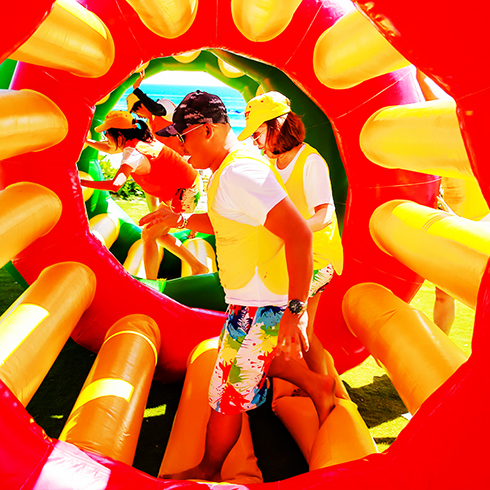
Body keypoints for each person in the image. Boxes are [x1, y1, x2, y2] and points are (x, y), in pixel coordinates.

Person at [140, 90, 336, 482]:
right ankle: (318, 385)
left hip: (260, 303)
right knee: (256, 366)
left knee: (225, 398)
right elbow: (225, 220)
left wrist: (294, 311)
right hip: (252, 300)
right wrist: (178, 219)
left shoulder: (241, 172)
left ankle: (210, 468)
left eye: (182, 137)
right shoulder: (227, 170)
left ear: (208, 130)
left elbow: (300, 234)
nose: (178, 148)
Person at [236, 91, 343, 376]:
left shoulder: (310, 162)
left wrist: (289, 231)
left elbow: (325, 216)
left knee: (282, 318)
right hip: (294, 258)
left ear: (277, 127)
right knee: (302, 330)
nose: (254, 142)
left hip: (318, 259)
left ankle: (304, 384)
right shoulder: (272, 164)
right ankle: (321, 385)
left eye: (257, 133)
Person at [82, 110, 209, 279]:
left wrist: (80, 181)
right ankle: (197, 266)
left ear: (119, 134)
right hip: (184, 186)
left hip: (185, 192)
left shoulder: (133, 153)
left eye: (107, 133)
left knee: (149, 234)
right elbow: (109, 148)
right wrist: (87, 141)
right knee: (158, 234)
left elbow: (115, 185)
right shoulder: (140, 139)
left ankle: (151, 282)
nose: (105, 136)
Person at [127, 70, 184, 154]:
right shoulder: (150, 121)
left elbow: (157, 109)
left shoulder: (164, 103)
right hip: (172, 160)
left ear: (141, 105)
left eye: (136, 112)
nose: (138, 116)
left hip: (184, 157)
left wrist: (137, 90)